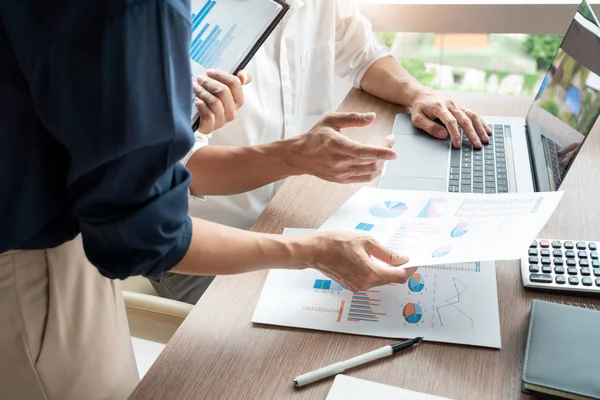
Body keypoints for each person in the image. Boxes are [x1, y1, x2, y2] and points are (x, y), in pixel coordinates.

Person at [0, 2, 416, 399]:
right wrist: (311, 249)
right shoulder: (146, 13)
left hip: (81, 226)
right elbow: (145, 233)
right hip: (43, 253)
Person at [150, 0, 492, 304]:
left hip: (287, 214)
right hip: (205, 247)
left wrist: (417, 93)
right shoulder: (173, 18)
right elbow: (178, 171)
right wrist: (296, 156)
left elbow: (362, 54)